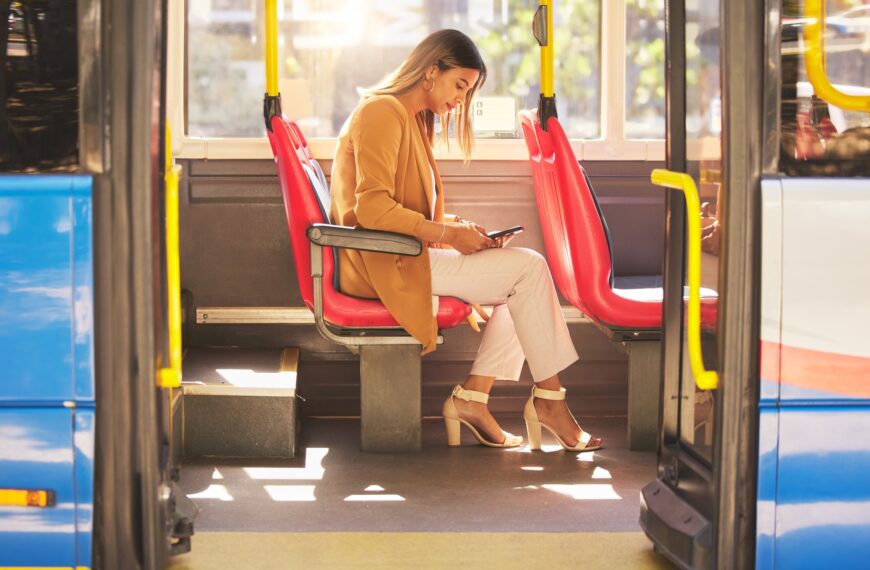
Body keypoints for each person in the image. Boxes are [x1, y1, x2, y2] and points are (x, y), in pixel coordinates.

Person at [330, 29, 602, 452]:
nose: (461, 99)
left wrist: (459, 228)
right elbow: (372, 211)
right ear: (430, 70)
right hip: (383, 261)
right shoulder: (382, 112)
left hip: (404, 252)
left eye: (468, 90)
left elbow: (407, 209)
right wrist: (448, 234)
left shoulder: (410, 118)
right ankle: (547, 401)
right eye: (459, 85)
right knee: (528, 270)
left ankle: (474, 399)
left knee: (522, 284)